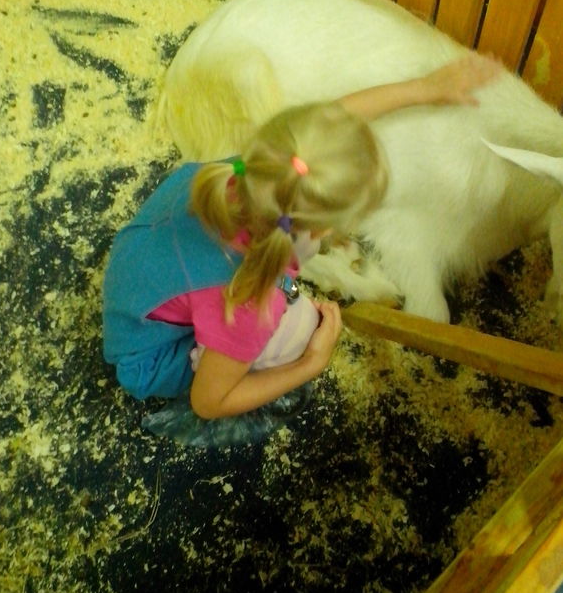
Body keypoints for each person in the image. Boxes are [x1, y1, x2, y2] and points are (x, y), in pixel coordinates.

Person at [102, 54, 500, 447]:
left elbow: (329, 125)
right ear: (323, 229)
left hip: (140, 278)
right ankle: (238, 351)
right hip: (148, 356)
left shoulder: (259, 169)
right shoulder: (250, 301)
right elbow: (207, 403)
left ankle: (208, 327)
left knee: (249, 304)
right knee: (300, 328)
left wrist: (424, 89)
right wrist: (310, 363)